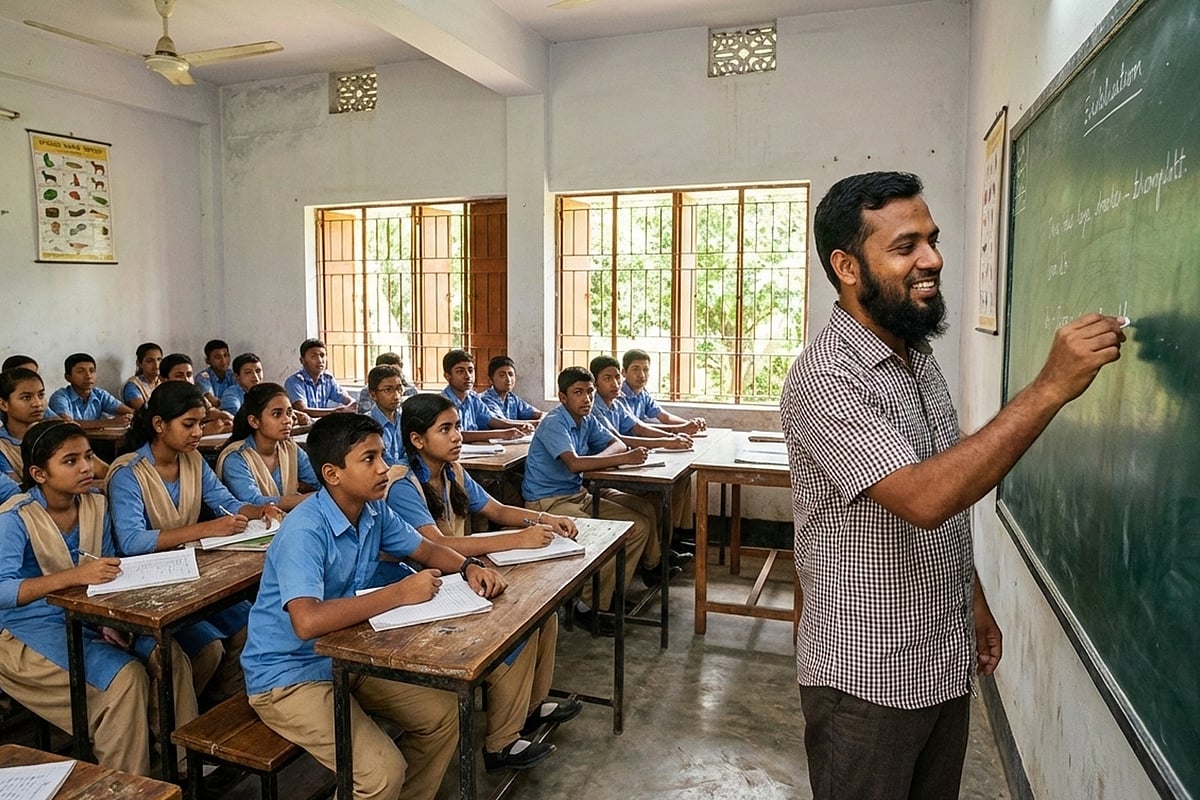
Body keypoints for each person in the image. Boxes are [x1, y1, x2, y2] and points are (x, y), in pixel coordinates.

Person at [779, 171, 1126, 800]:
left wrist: (971, 595)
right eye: (905, 246)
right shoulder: (826, 376)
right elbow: (924, 497)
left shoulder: (915, 354)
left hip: (941, 660)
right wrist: (1049, 386)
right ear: (847, 267)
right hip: (867, 682)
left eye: (932, 239)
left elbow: (948, 479)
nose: (932, 259)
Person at [243, 413, 505, 800]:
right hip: (289, 674)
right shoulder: (305, 530)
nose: (384, 468)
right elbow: (307, 621)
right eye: (369, 459)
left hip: (349, 656)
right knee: (380, 773)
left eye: (382, 455)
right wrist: (399, 593)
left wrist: (468, 566)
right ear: (332, 474)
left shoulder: (373, 508)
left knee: (444, 716)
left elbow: (426, 548)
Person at [385, 392, 582, 770]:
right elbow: (436, 545)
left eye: (457, 426)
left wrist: (542, 521)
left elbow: (496, 509)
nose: (457, 436)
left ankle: (531, 707)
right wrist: (517, 539)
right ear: (417, 439)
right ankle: (500, 743)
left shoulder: (452, 472)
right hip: (426, 588)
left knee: (544, 613)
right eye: (446, 429)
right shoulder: (403, 485)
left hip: (457, 578)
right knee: (516, 630)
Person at [0, 420, 199, 776]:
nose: (87, 467)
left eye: (89, 456)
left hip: (89, 617)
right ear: (38, 473)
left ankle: (183, 768)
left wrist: (114, 625)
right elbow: (2, 591)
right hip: (26, 631)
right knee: (125, 679)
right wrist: (73, 577)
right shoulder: (15, 518)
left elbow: (106, 570)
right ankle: (126, 784)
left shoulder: (95, 504)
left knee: (167, 655)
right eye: (70, 461)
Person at [106, 382, 282, 701]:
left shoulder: (194, 461)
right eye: (188, 424)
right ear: (159, 425)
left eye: (201, 423)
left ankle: (222, 706)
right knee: (210, 649)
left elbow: (223, 500)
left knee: (249, 623)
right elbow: (132, 541)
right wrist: (205, 530)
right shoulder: (128, 473)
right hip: (145, 584)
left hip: (189, 570)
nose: (198, 432)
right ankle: (184, 718)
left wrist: (260, 509)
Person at [522, 366, 654, 636]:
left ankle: (607, 595)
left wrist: (615, 454)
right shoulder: (554, 422)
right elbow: (574, 464)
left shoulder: (587, 419)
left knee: (637, 525)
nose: (586, 399)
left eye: (590, 392)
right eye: (578, 393)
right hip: (547, 504)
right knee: (607, 537)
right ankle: (587, 607)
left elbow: (617, 443)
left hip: (578, 495)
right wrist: (620, 459)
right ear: (562, 397)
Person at [588, 355, 693, 583]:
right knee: (651, 501)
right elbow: (621, 439)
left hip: (619, 468)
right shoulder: (594, 409)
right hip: (601, 478)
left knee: (659, 497)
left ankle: (657, 556)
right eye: (608, 378)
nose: (615, 384)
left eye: (616, 378)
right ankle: (651, 563)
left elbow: (639, 427)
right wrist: (667, 441)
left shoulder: (615, 404)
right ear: (595, 384)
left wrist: (673, 435)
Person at [216, 383, 318, 511]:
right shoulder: (236, 458)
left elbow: (319, 479)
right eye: (277, 414)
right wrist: (316, 497)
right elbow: (254, 501)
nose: (287, 420)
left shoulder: (290, 449)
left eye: (289, 412)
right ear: (254, 421)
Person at [441, 350, 530, 443]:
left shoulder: (473, 398)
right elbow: (457, 434)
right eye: (460, 372)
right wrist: (502, 434)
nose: (468, 376)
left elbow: (491, 420)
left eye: (470, 370)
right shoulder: (443, 403)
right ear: (447, 376)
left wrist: (520, 425)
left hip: (474, 450)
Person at [619, 349, 706, 434]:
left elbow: (665, 417)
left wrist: (691, 424)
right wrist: (679, 429)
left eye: (645, 370)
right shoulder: (619, 396)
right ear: (624, 372)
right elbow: (640, 428)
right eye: (635, 369)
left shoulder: (643, 394)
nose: (641, 375)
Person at [47, 353, 134, 429]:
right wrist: (111, 422)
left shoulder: (99, 394)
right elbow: (67, 424)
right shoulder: (60, 397)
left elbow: (130, 412)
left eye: (92, 371)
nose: (88, 376)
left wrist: (128, 417)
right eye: (80, 371)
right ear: (68, 377)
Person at [161, 352, 234, 435]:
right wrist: (204, 430)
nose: (186, 380)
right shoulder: (161, 401)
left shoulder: (196, 396)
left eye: (189, 375)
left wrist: (226, 419)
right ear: (164, 380)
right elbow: (170, 433)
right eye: (179, 376)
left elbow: (212, 412)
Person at [284, 338, 355, 416]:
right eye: (313, 356)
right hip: (303, 425)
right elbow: (302, 410)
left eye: (322, 355)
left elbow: (347, 399)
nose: (320, 360)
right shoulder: (294, 381)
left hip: (320, 424)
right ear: (302, 360)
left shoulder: (327, 379)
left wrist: (351, 405)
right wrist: (335, 412)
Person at [0, 368, 48, 480]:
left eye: (41, 395)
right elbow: (17, 490)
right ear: (3, 404)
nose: (38, 403)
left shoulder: (53, 433)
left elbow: (96, 468)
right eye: (26, 397)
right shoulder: (2, 447)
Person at [480, 356, 543, 423]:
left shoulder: (512, 398)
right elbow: (502, 423)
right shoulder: (486, 399)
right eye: (502, 375)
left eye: (511, 374)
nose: (508, 379)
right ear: (491, 380)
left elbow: (535, 413)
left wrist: (545, 417)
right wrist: (537, 423)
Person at [364, 364, 406, 465]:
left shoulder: (406, 419)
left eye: (399, 389)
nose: (396, 396)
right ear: (373, 395)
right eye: (388, 390)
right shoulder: (366, 425)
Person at [121, 342, 163, 411]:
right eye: (150, 361)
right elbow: (144, 411)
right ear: (139, 364)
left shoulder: (163, 381)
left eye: (159, 359)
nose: (157, 365)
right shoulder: (133, 386)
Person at [195, 339, 235, 410]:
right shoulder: (203, 377)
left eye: (226, 355)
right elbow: (213, 401)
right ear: (208, 360)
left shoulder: (233, 375)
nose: (223, 360)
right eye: (218, 357)